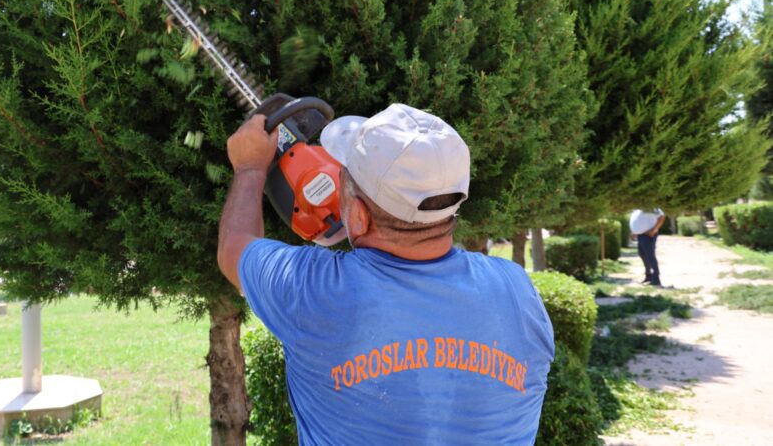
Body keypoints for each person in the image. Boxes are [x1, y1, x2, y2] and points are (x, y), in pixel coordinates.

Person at [218, 103, 555, 445]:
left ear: (359, 216)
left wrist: (249, 168)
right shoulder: (517, 289)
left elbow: (234, 248)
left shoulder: (316, 291)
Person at [630, 208, 666, 286]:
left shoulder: (651, 207)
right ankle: (648, 276)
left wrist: (654, 230)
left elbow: (662, 216)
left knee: (650, 256)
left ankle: (656, 279)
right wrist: (634, 231)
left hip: (648, 234)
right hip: (640, 235)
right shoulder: (637, 209)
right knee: (642, 255)